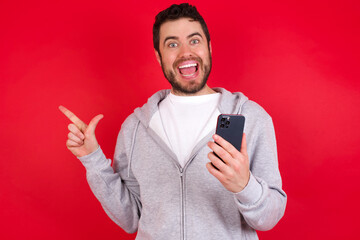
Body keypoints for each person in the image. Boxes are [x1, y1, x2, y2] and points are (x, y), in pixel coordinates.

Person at [59, 3, 286, 239]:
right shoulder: (135, 128)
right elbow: (130, 219)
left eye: (194, 40)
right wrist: (92, 158)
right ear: (159, 57)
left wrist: (245, 186)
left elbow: (270, 217)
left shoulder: (251, 118)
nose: (185, 52)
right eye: (172, 44)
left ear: (209, 48)